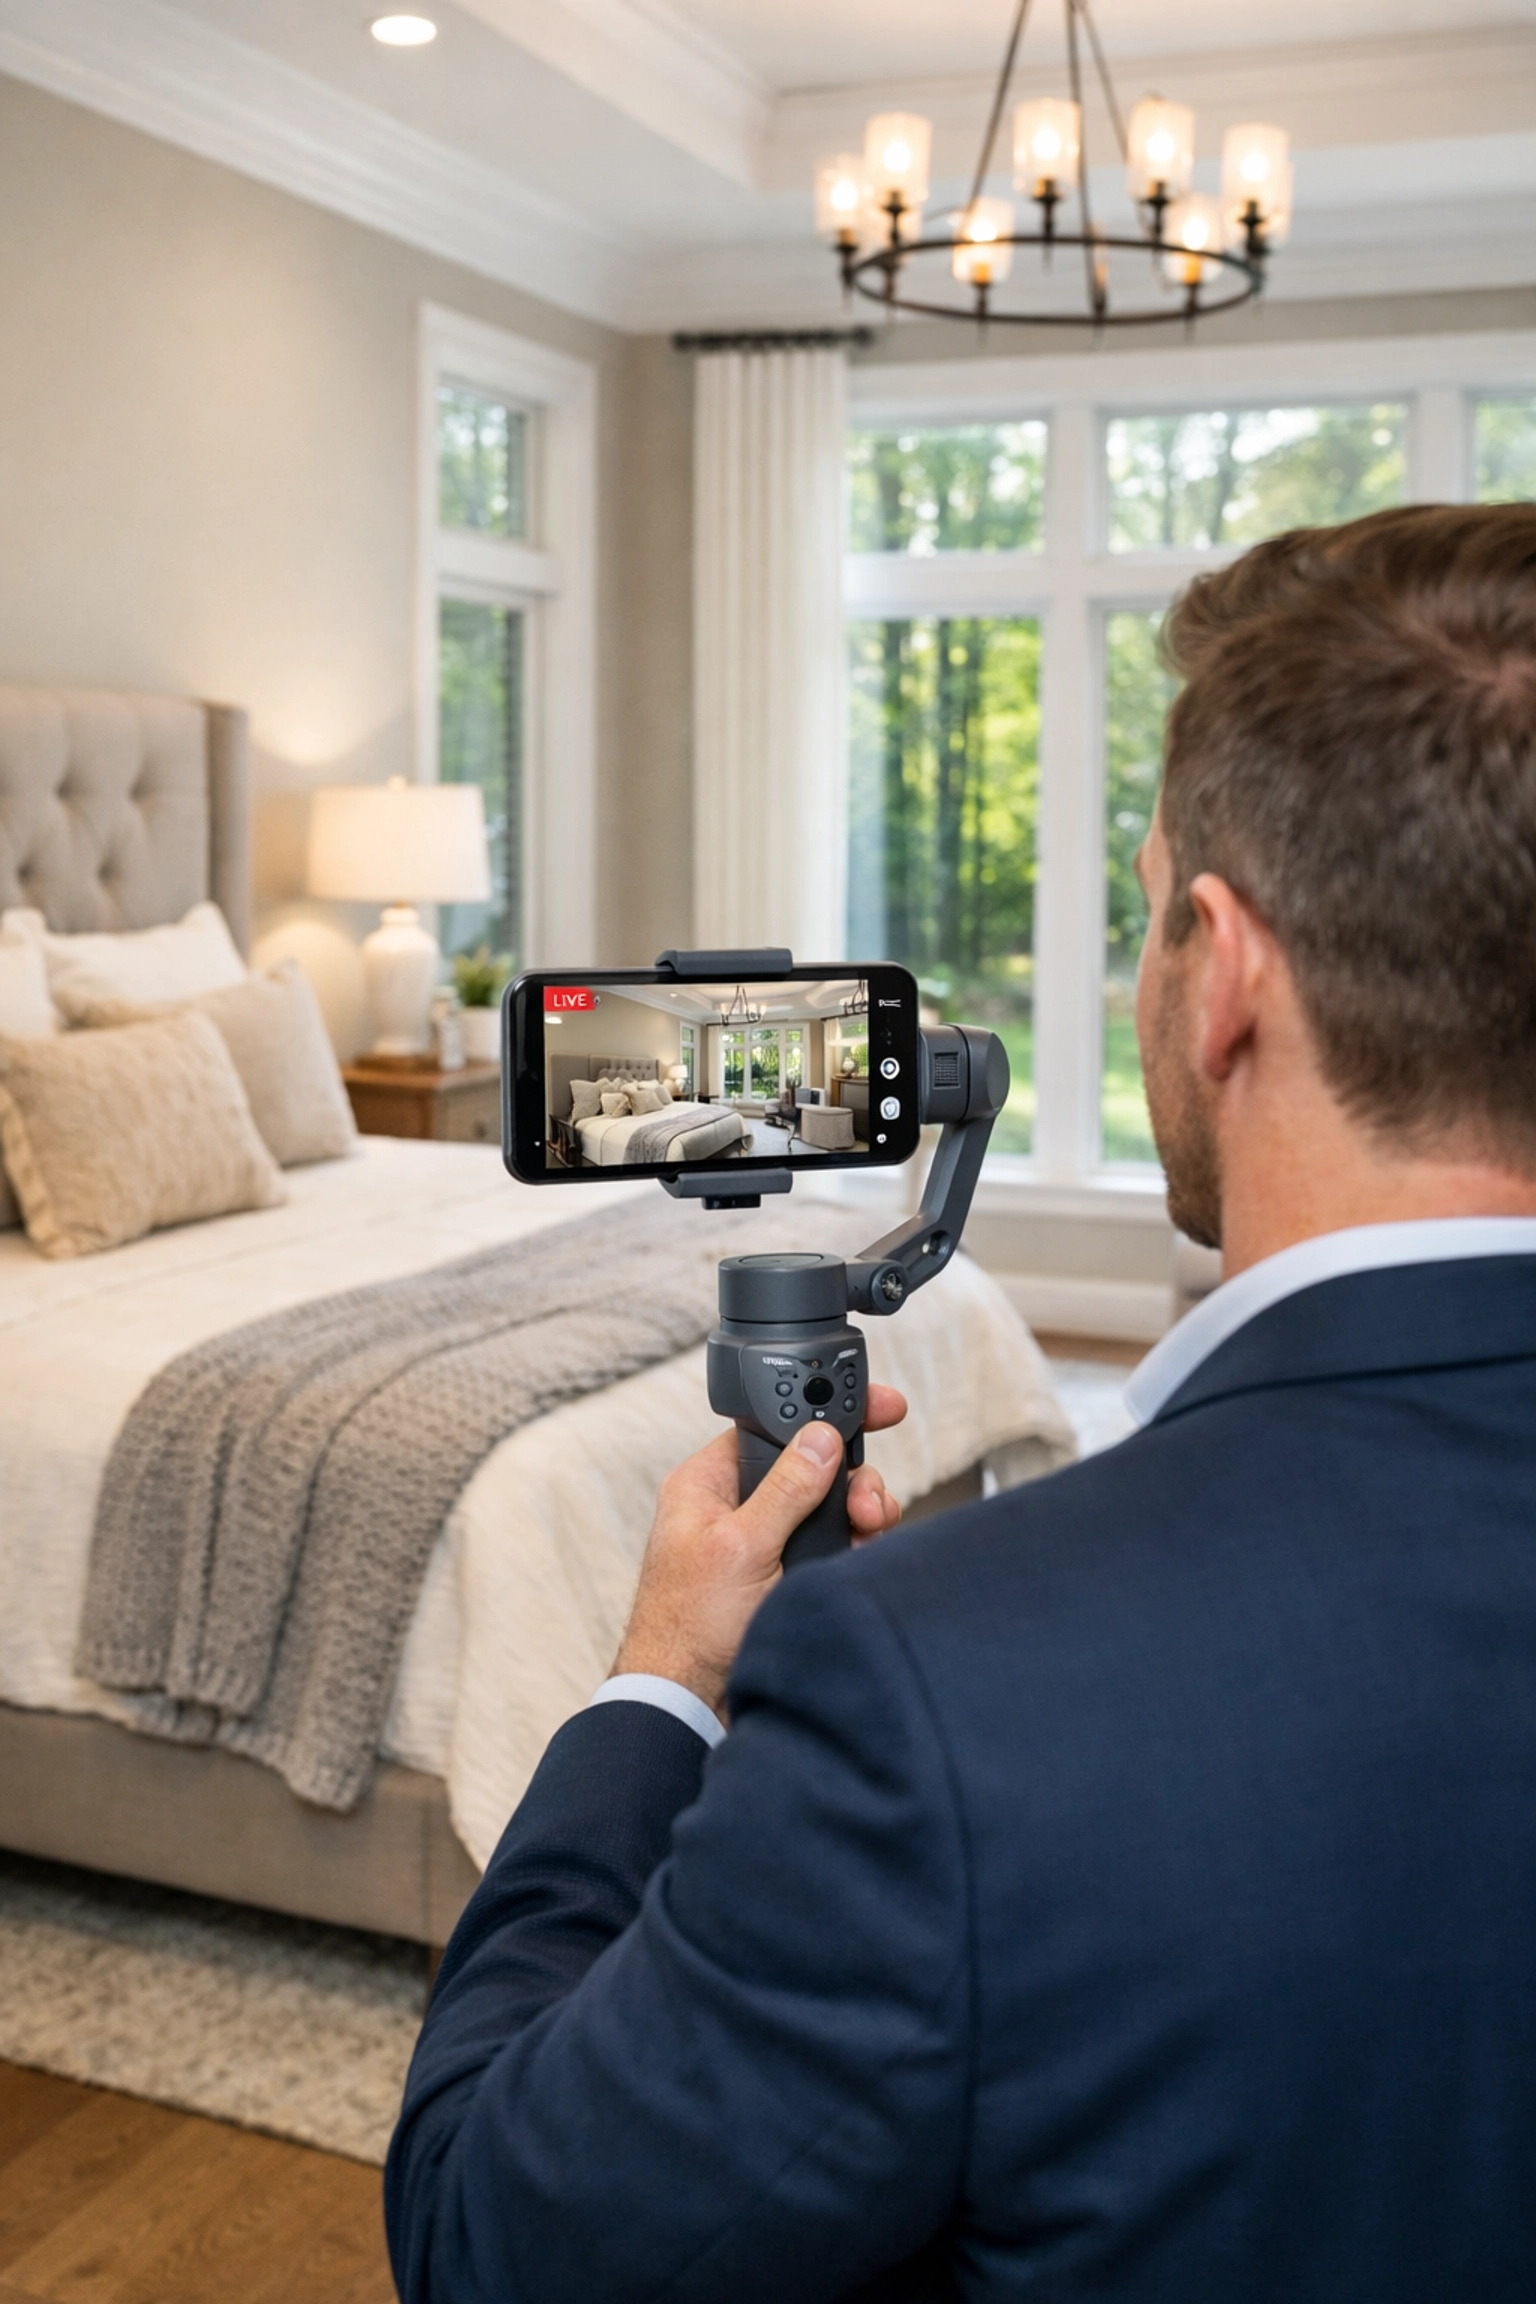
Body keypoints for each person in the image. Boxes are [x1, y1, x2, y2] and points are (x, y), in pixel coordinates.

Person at [385, 503, 1536, 2302]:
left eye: (1146, 917)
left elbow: (493, 2246)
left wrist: (662, 1678)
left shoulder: (945, 1688)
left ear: (1222, 971)